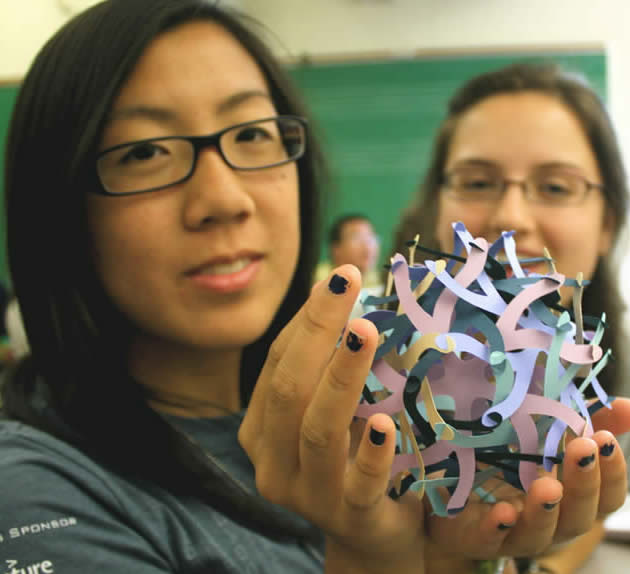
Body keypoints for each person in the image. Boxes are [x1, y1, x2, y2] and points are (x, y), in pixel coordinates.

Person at [0, 3, 627, 572]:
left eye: (251, 135)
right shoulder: (39, 497)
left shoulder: (380, 413)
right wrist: (374, 559)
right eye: (143, 152)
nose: (224, 198)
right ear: (54, 202)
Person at [389, 62, 630, 573]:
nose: (511, 219)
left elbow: (595, 520)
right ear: (436, 205)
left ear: (607, 224)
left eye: (557, 187)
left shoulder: (616, 387)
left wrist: (547, 566)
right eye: (477, 182)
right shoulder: (374, 374)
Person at [322, 213, 383, 319]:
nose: (367, 245)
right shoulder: (321, 283)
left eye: (370, 237)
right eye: (356, 238)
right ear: (336, 249)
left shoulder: (382, 284)